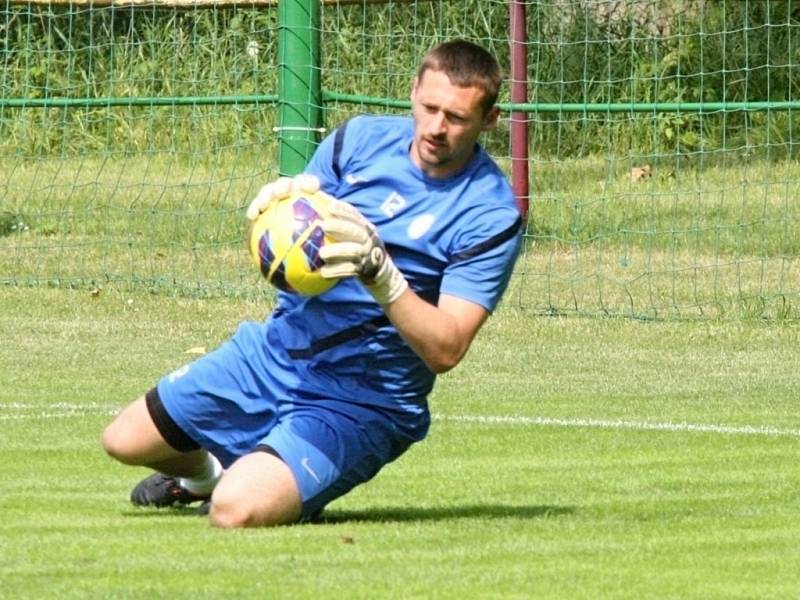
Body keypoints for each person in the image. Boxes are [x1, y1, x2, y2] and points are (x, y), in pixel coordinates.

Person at [102, 39, 523, 528]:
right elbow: (300, 231)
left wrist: (382, 275)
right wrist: (276, 209)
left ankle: (268, 480)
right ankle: (206, 476)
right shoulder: (359, 141)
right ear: (412, 92)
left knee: (236, 511)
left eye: (456, 117)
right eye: (428, 108)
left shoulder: (490, 214)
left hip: (362, 400)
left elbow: (446, 349)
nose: (435, 128)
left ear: (489, 120)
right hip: (275, 353)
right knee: (123, 440)